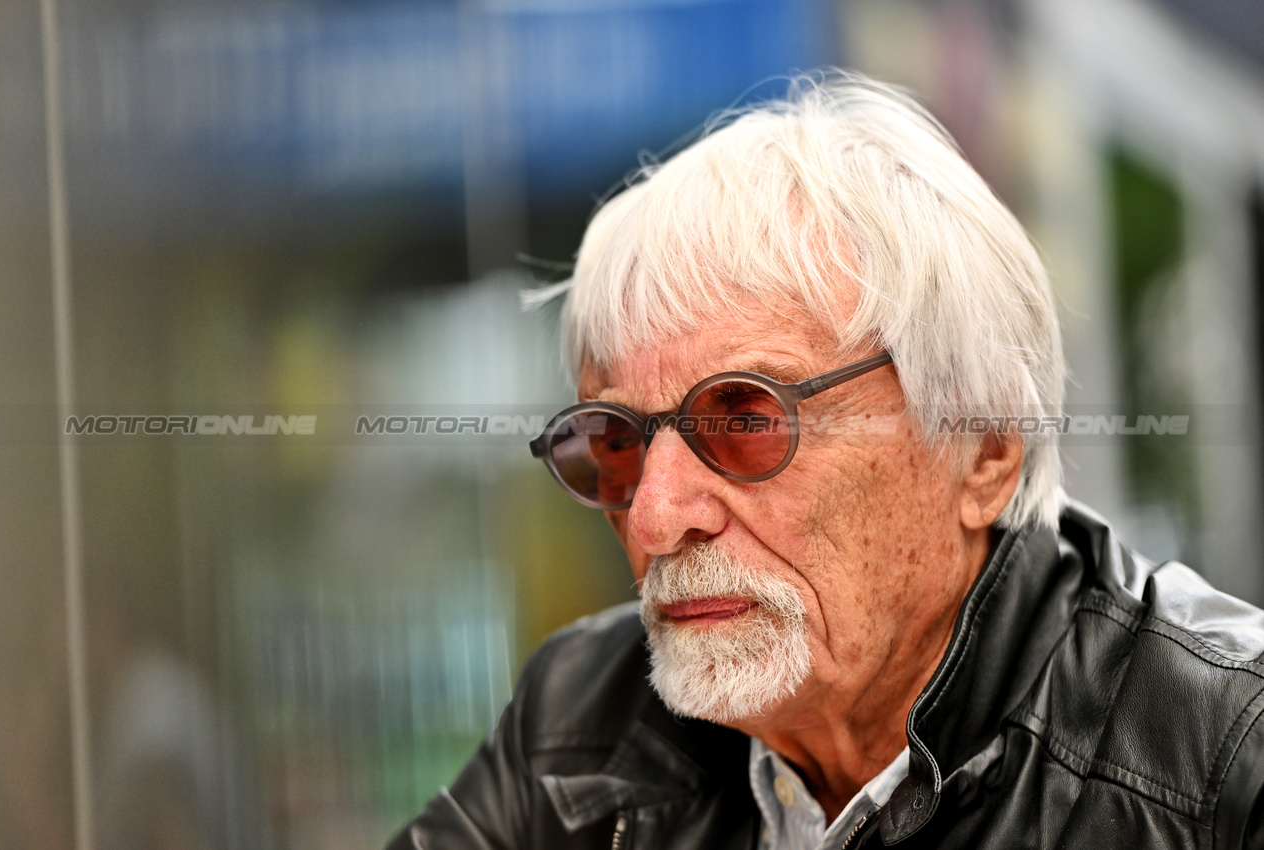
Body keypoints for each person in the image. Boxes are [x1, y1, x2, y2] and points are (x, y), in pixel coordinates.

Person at [387, 74, 1264, 849]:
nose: (654, 518)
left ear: (983, 451)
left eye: (743, 420)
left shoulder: (1227, 754)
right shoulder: (581, 721)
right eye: (612, 444)